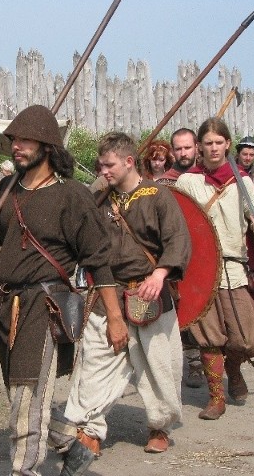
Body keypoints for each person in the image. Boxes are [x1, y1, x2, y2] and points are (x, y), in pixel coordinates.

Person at [0, 105, 129, 476]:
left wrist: (115, 319)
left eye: (24, 139)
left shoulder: (71, 195)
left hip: (45, 304)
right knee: (22, 394)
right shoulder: (7, 190)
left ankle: (25, 469)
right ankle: (71, 437)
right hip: (8, 303)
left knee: (25, 396)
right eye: (14, 140)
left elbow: (99, 260)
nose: (15, 147)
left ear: (48, 146)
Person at [64, 132, 191, 456]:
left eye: (109, 165)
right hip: (107, 293)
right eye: (100, 165)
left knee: (159, 365)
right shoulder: (99, 198)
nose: (103, 170)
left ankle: (159, 426)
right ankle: (89, 428)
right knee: (96, 360)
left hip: (150, 293)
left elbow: (178, 239)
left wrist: (160, 273)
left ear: (129, 162)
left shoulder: (158, 196)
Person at [176, 117, 254, 420]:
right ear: (200, 147)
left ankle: (233, 366)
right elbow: (175, 222)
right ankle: (216, 396)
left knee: (245, 337)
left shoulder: (241, 181)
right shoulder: (187, 181)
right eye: (208, 143)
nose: (214, 148)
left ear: (227, 144)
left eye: (219, 142)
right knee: (208, 335)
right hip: (200, 272)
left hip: (233, 268)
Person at [157, 128, 205, 388]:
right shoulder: (165, 183)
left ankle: (217, 364)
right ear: (172, 151)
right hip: (177, 258)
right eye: (179, 148)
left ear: (196, 147)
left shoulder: (208, 178)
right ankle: (193, 363)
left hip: (204, 256)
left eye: (188, 147)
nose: (184, 153)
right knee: (184, 313)